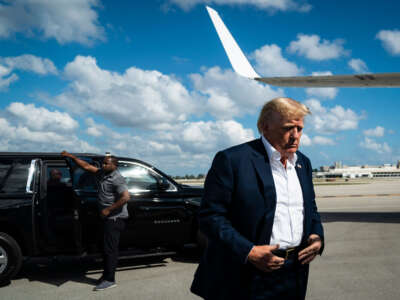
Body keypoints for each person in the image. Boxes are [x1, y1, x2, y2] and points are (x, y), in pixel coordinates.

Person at [191, 97, 324, 300]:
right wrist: (249, 251)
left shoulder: (303, 163)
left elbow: (310, 208)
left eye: (299, 129)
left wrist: (316, 237)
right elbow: (211, 217)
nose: (295, 136)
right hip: (245, 273)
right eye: (288, 128)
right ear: (264, 127)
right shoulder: (233, 160)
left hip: (294, 271)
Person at [61, 151, 130, 291]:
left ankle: (110, 280)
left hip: (115, 218)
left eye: (106, 163)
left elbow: (126, 197)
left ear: (114, 165)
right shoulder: (102, 173)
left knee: (110, 250)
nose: (103, 165)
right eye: (103, 163)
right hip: (106, 218)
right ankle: (105, 276)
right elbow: (86, 166)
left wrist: (109, 210)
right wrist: (72, 157)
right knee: (105, 249)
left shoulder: (117, 178)